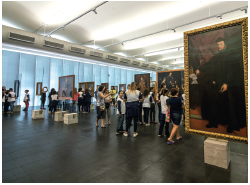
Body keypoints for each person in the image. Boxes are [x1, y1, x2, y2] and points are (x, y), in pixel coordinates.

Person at [196, 37, 246, 132]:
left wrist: (226, 83)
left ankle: (232, 125)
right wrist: (200, 69)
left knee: (230, 104)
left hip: (230, 84)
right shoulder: (218, 56)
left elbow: (231, 71)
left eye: (221, 44)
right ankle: (213, 123)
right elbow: (209, 64)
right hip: (218, 83)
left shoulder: (231, 54)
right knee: (213, 103)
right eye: (218, 45)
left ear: (225, 44)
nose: (219, 46)